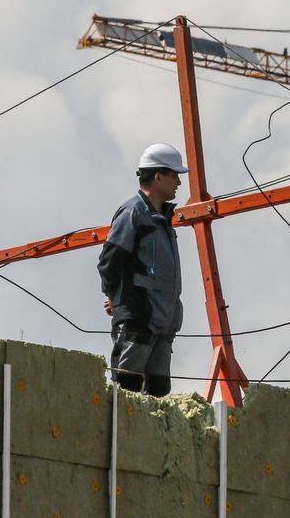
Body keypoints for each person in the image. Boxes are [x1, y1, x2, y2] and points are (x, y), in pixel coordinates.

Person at [98, 143, 189, 397]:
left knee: (159, 392)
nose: (178, 183)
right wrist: (116, 298)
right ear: (158, 176)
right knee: (127, 389)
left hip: (163, 323)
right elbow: (109, 262)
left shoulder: (162, 219)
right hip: (139, 320)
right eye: (174, 175)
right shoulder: (133, 214)